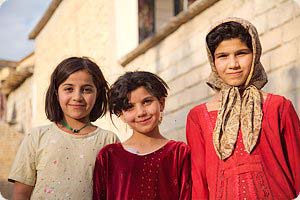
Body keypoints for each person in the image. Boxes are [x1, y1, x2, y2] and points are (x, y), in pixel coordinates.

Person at [186, 17, 300, 199]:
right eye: (222, 56)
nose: (233, 64)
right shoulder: (198, 116)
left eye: (241, 53)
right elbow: (199, 180)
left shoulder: (279, 106)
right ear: (212, 61)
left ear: (255, 54)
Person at [8, 57, 119, 199]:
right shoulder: (37, 137)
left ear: (97, 94)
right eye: (69, 89)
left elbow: (114, 192)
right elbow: (20, 195)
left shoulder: (108, 141)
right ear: (56, 93)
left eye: (86, 89)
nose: (77, 97)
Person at [93, 71, 192, 200]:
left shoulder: (179, 153)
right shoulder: (108, 156)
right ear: (121, 114)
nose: (140, 112)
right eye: (129, 107)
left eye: (147, 102)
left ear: (161, 103)